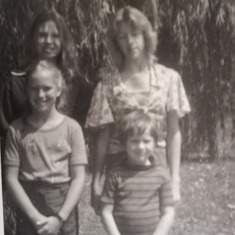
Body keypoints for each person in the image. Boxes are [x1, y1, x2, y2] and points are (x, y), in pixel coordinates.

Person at [85, 5, 191, 212]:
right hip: (119, 169)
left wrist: (175, 179)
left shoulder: (168, 77)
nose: (130, 42)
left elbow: (173, 133)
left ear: (146, 35)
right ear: (116, 42)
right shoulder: (109, 79)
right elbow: (103, 136)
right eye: (122, 36)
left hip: (156, 165)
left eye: (135, 34)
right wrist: (96, 182)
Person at [4, 60, 87, 235]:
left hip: (63, 210)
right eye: (34, 88)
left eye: (47, 88)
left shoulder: (72, 129)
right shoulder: (16, 130)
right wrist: (35, 218)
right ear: (26, 91)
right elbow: (11, 179)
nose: (40, 94)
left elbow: (79, 178)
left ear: (59, 90)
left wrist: (59, 218)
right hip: (29, 209)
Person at [101, 110, 175, 235]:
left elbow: (168, 212)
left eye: (146, 141)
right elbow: (106, 212)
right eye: (134, 141)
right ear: (125, 143)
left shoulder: (162, 175)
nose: (141, 147)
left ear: (155, 143)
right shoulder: (115, 175)